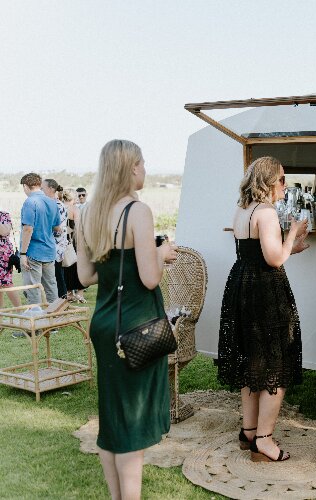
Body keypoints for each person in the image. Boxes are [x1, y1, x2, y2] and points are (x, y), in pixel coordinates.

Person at [77, 139, 178, 499]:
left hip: (105, 326)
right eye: (143, 163)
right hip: (137, 329)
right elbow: (150, 278)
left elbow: (86, 276)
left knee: (112, 424)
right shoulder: (137, 210)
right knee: (131, 427)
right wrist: (162, 252)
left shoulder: (85, 212)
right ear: (131, 168)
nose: (146, 169)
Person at [218, 156, 308, 462]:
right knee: (275, 363)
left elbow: (259, 254)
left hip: (242, 285)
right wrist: (293, 232)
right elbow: (273, 260)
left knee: (251, 359)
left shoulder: (243, 209)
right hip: (265, 293)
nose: (286, 185)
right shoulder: (267, 212)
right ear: (270, 182)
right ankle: (265, 440)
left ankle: (249, 431)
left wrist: (290, 248)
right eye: (283, 179)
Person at [19, 173, 60, 304]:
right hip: (49, 249)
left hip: (33, 251)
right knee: (51, 287)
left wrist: (23, 253)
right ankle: (55, 319)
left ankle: (35, 319)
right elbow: (57, 227)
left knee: (32, 288)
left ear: (26, 186)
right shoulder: (52, 202)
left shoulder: (30, 202)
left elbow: (28, 229)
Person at [42, 179, 68, 300]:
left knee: (57, 276)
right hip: (51, 245)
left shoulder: (57, 205)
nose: (41, 190)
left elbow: (58, 229)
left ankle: (62, 301)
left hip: (56, 246)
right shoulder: (50, 203)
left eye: (43, 188)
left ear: (51, 189)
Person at [62, 189, 86, 303]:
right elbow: (79, 228)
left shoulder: (59, 207)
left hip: (62, 242)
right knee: (78, 267)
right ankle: (80, 294)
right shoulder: (74, 209)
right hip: (74, 241)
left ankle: (69, 293)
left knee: (66, 267)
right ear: (72, 197)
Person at [0, 208, 21, 308]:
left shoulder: (3, 214)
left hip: (3, 256)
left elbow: (4, 231)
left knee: (6, 283)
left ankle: (21, 311)